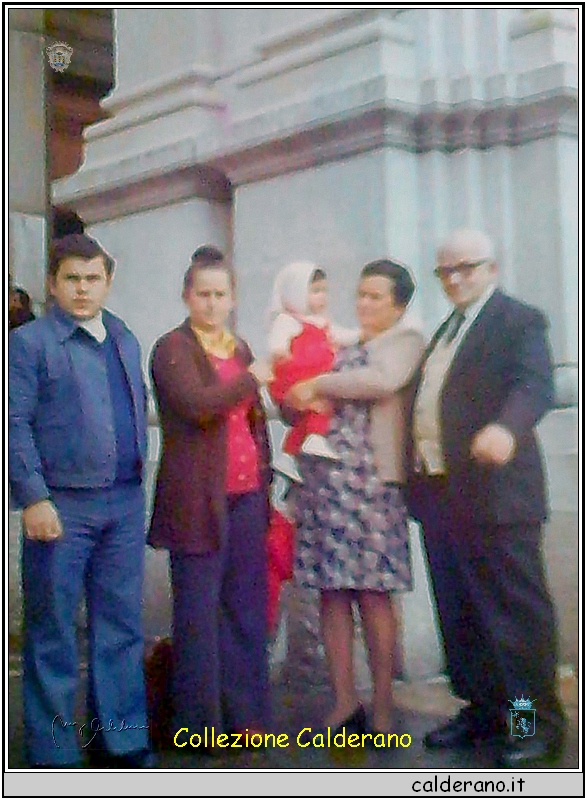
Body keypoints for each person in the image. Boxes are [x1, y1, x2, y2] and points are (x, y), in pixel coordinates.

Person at [407, 228, 566, 768]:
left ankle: (531, 726)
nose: (454, 279)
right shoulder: (449, 328)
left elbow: (534, 386)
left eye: (466, 268)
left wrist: (507, 428)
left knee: (515, 621)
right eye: (445, 271)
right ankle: (481, 712)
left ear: (491, 268)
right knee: (462, 614)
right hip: (443, 497)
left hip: (500, 501)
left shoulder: (517, 320)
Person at [9, 233, 151, 768]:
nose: (83, 289)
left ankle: (119, 740)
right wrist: (34, 498)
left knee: (120, 627)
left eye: (93, 278)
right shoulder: (31, 343)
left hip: (122, 501)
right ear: (53, 283)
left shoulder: (123, 336)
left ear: (108, 282)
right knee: (53, 633)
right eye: (72, 278)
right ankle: (54, 754)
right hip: (61, 506)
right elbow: (14, 422)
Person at [287, 259, 425, 736]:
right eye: (361, 294)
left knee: (374, 595)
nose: (364, 304)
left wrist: (320, 384)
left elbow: (380, 382)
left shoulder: (405, 341)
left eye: (376, 297)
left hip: (372, 488)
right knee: (331, 592)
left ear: (400, 305)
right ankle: (345, 701)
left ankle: (383, 704)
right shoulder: (348, 342)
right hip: (327, 484)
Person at [148, 246, 272, 746]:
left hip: (247, 498)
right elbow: (197, 406)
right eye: (204, 294)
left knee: (245, 610)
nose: (213, 303)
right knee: (197, 618)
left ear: (232, 298)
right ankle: (199, 730)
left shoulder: (238, 348)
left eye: (221, 294)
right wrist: (249, 380)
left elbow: (251, 419)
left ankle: (247, 721)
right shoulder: (172, 348)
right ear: (186, 295)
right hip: (198, 502)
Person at [267, 261, 357, 462]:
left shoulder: (322, 322)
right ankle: (309, 441)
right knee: (317, 407)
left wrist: (362, 336)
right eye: (315, 291)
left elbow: (343, 335)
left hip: (315, 377)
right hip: (295, 377)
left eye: (324, 291)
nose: (322, 297)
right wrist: (280, 352)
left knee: (316, 410)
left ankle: (295, 450)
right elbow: (277, 345)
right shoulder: (287, 320)